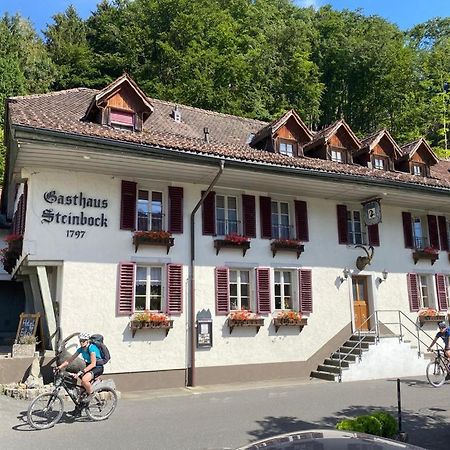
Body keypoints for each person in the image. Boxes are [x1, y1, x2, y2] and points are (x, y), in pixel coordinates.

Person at [56, 332, 104, 415]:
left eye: (83, 341)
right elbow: (69, 360)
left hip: (97, 367)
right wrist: (59, 367)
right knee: (81, 391)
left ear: (87, 341)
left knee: (84, 381)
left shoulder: (91, 348)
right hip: (88, 367)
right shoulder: (81, 349)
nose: (81, 342)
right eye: (80, 341)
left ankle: (91, 395)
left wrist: (81, 372)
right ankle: (78, 411)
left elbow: (93, 364)